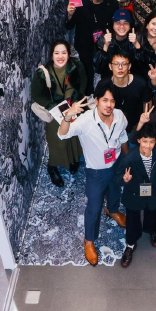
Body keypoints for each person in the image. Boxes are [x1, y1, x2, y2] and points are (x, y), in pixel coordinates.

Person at [58, 81, 129, 266]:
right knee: (94, 207)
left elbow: (122, 137)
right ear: (96, 100)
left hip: (116, 164)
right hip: (96, 172)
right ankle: (89, 240)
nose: (109, 105)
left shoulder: (119, 116)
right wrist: (68, 116)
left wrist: (128, 160)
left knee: (115, 192)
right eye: (104, 100)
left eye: (112, 101)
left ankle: (112, 210)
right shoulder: (86, 121)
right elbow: (62, 134)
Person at [31, 40, 87, 187]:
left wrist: (77, 97)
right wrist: (52, 106)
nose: (60, 56)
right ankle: (52, 166)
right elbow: (36, 95)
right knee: (57, 142)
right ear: (52, 55)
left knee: (74, 135)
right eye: (57, 53)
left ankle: (73, 160)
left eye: (64, 52)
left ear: (69, 54)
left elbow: (83, 82)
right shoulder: (42, 73)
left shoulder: (76, 65)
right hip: (54, 111)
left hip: (72, 106)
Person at [115, 123, 156, 267]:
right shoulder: (129, 158)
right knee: (132, 219)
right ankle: (130, 244)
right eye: (145, 141)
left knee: (152, 211)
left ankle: (151, 229)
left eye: (152, 142)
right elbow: (117, 177)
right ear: (138, 140)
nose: (148, 145)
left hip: (152, 190)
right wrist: (124, 179)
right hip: (134, 193)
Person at [66, 0, 118, 93]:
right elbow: (69, 25)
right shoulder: (81, 2)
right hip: (84, 44)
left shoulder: (112, 2)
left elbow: (115, 24)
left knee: (106, 75)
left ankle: (105, 96)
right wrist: (70, 14)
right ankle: (87, 98)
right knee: (87, 77)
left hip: (104, 44)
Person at [107, 49, 153, 134]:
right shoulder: (104, 84)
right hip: (111, 129)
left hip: (136, 127)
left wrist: (144, 124)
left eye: (124, 64)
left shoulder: (140, 83)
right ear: (110, 66)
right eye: (116, 64)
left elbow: (147, 103)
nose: (120, 67)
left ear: (129, 66)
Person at [94, 8, 145, 79]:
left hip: (133, 78)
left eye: (125, 23)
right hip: (110, 79)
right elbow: (97, 68)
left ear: (130, 26)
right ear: (113, 25)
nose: (122, 26)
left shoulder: (138, 37)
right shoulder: (103, 39)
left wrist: (137, 45)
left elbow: (145, 66)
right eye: (118, 23)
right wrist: (105, 46)